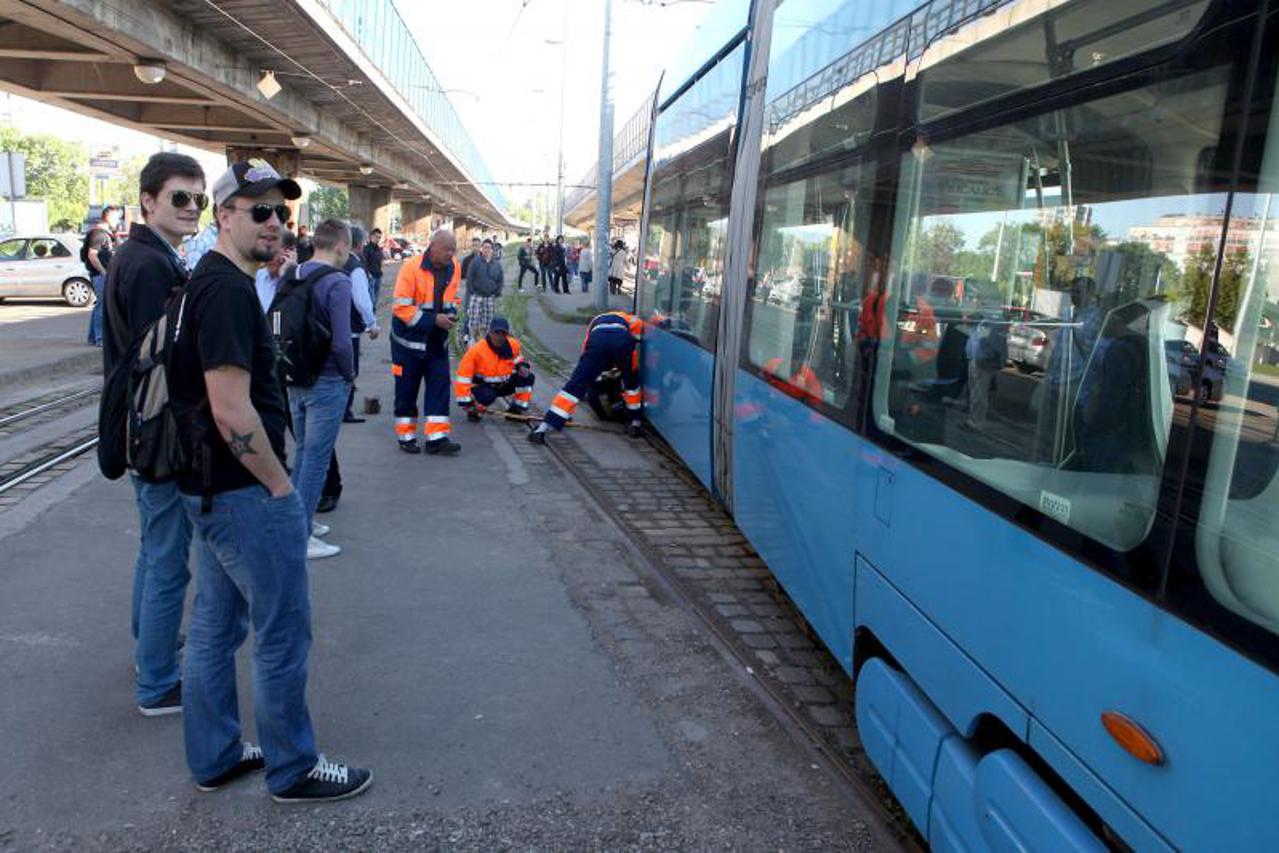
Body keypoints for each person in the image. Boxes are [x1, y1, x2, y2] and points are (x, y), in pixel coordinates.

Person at [169, 161, 371, 801]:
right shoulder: (227, 291)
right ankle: (293, 767)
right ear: (223, 216)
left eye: (281, 213)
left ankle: (216, 755)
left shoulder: (210, 280)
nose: (276, 224)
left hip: (208, 485)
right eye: (259, 211)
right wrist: (282, 489)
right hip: (243, 492)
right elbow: (231, 408)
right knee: (282, 630)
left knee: (214, 626)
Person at [102, 153, 205, 717]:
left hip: (142, 427)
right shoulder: (149, 266)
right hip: (156, 429)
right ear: (148, 201)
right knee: (169, 558)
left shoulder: (140, 255)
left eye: (199, 199)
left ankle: (151, 647)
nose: (191, 209)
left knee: (154, 546)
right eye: (179, 198)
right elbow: (158, 356)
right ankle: (158, 681)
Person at [279, 218, 357, 561]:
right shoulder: (337, 281)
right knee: (316, 460)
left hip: (295, 375)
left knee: (303, 455)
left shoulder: (292, 273)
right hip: (326, 379)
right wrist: (349, 374)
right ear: (341, 246)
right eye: (347, 250)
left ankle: (296, 522)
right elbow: (342, 341)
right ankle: (301, 533)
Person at [390, 229, 462, 455]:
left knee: (440, 388)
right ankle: (406, 436)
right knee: (406, 390)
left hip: (436, 342)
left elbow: (454, 297)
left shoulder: (454, 267)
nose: (450, 254)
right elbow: (400, 307)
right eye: (446, 250)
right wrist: (434, 320)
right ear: (433, 247)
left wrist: (451, 313)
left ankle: (437, 438)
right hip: (407, 344)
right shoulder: (411, 268)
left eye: (453, 250)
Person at [529, 310, 644, 444]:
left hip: (597, 342)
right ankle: (635, 423)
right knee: (631, 385)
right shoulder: (630, 319)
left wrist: (592, 375)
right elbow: (635, 340)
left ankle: (543, 429)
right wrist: (626, 367)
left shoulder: (594, 325)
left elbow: (586, 354)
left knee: (575, 386)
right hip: (622, 342)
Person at [455, 317, 534, 420]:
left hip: (504, 384)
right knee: (488, 396)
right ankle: (474, 410)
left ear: (507, 335)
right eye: (497, 333)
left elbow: (517, 359)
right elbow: (463, 377)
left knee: (527, 377)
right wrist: (467, 403)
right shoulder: (476, 351)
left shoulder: (513, 345)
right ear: (490, 332)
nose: (500, 337)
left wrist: (522, 366)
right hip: (482, 386)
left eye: (503, 334)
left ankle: (516, 410)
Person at [83, 207, 117, 345]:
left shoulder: (105, 233)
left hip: (101, 274)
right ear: (108, 217)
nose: (117, 220)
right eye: (115, 217)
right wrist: (103, 272)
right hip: (100, 275)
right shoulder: (99, 233)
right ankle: (100, 338)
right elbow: (92, 255)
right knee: (103, 306)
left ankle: (93, 337)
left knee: (100, 305)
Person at [464, 238, 503, 343]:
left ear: (492, 250)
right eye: (485, 247)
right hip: (477, 295)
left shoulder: (497, 264)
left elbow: (500, 279)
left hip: (490, 296)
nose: (487, 250)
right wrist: (472, 291)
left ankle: (485, 340)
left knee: (488, 321)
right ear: (482, 249)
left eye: (489, 248)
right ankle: (473, 338)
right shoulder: (475, 262)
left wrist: (497, 292)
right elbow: (469, 277)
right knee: (473, 319)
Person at [254, 230, 297, 312]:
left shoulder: (299, 280)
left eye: (274, 252)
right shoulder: (257, 277)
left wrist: (284, 277)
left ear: (289, 251)